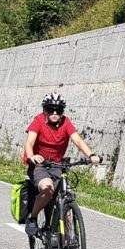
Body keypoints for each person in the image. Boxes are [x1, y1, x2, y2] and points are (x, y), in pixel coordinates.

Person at [23, 93, 101, 235]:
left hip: (57, 165)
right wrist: (32, 156)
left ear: (62, 112)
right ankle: (33, 218)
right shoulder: (38, 121)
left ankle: (68, 241)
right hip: (39, 165)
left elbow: (77, 140)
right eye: (50, 109)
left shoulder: (66, 122)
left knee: (65, 199)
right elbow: (29, 142)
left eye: (58, 110)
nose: (54, 113)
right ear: (44, 111)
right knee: (47, 189)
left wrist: (91, 155)